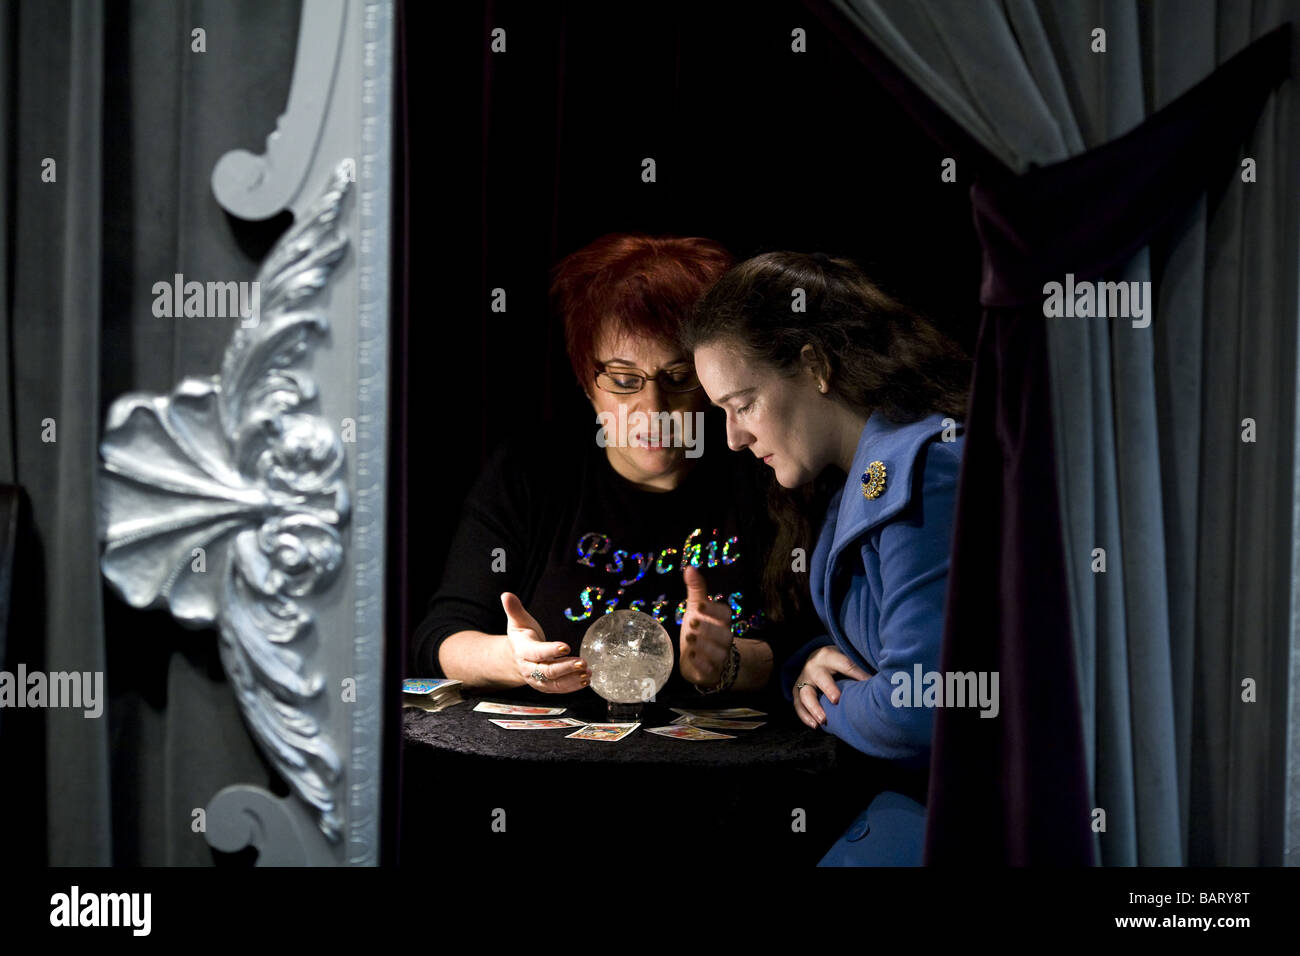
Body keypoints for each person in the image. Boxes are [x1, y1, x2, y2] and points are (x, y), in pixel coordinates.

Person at [684, 250, 971, 865]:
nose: (733, 437)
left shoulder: (927, 470)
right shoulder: (860, 483)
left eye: (744, 404)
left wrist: (822, 700)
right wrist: (806, 668)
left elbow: (917, 706)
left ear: (813, 365)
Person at [411, 234, 778, 700]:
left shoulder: (762, 468)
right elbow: (441, 637)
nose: (653, 407)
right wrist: (515, 660)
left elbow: (810, 646)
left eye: (679, 378)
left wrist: (728, 663)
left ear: (712, 381)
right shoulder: (530, 473)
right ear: (588, 382)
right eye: (624, 381)